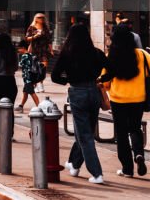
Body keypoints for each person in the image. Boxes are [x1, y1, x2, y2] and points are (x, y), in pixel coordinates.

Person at [52, 23, 108, 184]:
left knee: (84, 135)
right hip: (94, 92)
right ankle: (74, 165)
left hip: (78, 92)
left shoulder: (67, 53)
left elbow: (55, 76)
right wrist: (101, 79)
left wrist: (68, 80)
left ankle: (96, 173)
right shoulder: (96, 52)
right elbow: (111, 68)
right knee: (86, 131)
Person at [100, 25, 149, 178]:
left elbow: (105, 83)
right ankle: (139, 154)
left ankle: (127, 169)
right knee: (135, 127)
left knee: (121, 133)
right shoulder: (142, 54)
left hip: (118, 99)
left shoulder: (111, 56)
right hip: (138, 98)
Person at [24, 13, 53, 93]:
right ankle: (37, 85)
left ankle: (40, 83)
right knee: (36, 68)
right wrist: (35, 36)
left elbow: (49, 40)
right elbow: (27, 39)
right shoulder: (31, 28)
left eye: (43, 18)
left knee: (43, 67)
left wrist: (51, 49)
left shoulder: (45, 28)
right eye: (39, 18)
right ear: (36, 19)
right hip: (34, 49)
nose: (41, 19)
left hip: (44, 49)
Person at [17, 43, 42, 111]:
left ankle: (39, 107)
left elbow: (20, 64)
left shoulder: (24, 56)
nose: (18, 50)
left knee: (32, 93)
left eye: (19, 49)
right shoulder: (30, 55)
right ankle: (21, 105)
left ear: (23, 48)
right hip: (31, 77)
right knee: (25, 92)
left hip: (28, 78)